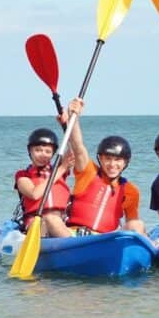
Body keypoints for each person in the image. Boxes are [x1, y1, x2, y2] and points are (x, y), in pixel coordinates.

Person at [64, 98, 147, 236]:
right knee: (53, 222)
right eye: (107, 159)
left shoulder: (131, 191)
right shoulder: (88, 172)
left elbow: (131, 223)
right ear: (100, 159)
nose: (112, 164)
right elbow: (77, 146)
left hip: (105, 240)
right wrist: (74, 117)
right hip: (74, 236)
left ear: (125, 162)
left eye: (117, 160)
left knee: (137, 224)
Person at [14, 127, 74, 238]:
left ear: (53, 153)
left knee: (54, 220)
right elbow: (34, 194)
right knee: (51, 219)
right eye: (38, 150)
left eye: (48, 151)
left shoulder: (57, 170)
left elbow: (73, 152)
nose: (43, 155)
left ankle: (72, 242)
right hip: (36, 221)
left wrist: (66, 127)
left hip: (61, 221)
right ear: (30, 151)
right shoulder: (23, 175)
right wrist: (62, 169)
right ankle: (73, 245)